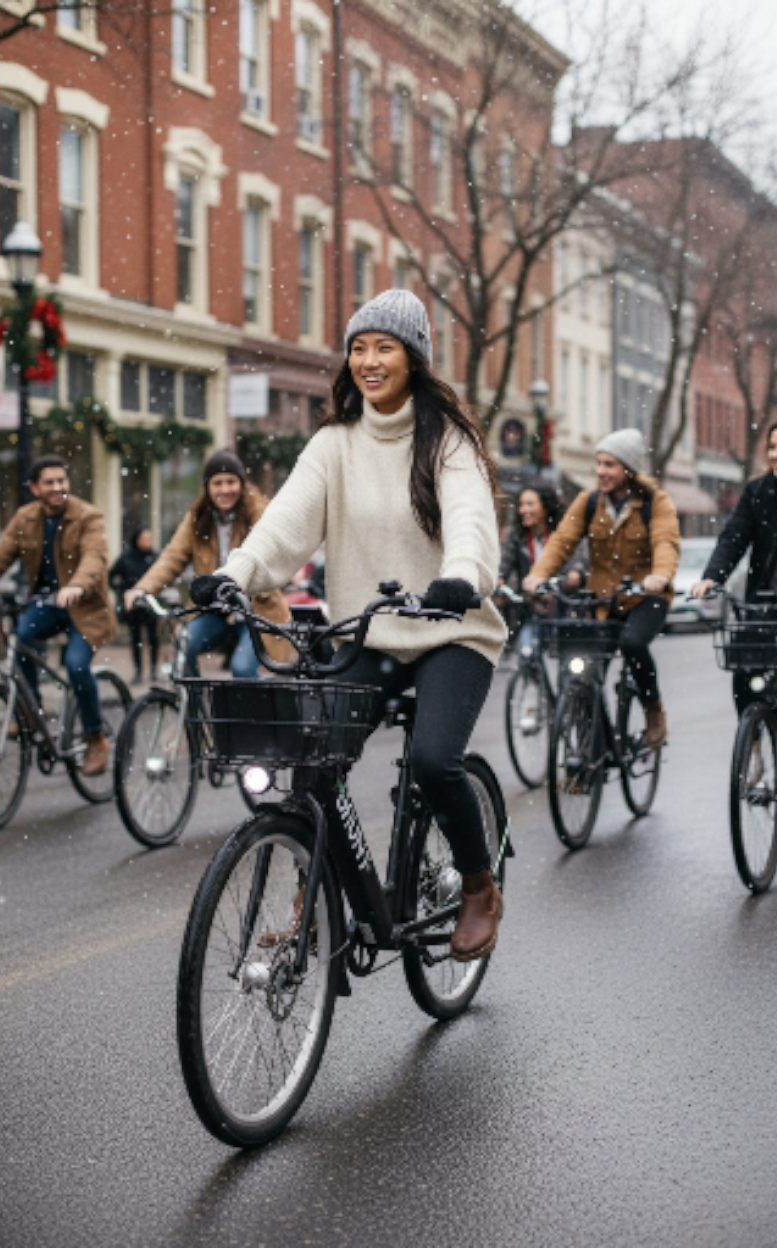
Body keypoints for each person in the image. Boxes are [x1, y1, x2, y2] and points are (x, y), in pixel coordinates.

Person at [191, 289, 507, 962]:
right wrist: (235, 574)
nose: (368, 360)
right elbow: (283, 525)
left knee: (431, 760)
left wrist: (463, 577)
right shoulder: (334, 443)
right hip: (371, 634)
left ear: (413, 357)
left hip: (451, 630)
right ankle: (317, 892)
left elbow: (471, 518)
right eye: (359, 347)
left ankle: (479, 886)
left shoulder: (448, 441)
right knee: (313, 756)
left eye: (383, 347)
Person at [524, 428, 681, 748]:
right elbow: (563, 542)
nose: (601, 472)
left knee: (634, 643)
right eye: (599, 464)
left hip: (645, 597)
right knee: (585, 674)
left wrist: (660, 575)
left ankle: (653, 709)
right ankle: (592, 754)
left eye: (610, 465)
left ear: (629, 468)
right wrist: (537, 574)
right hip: (603, 601)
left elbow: (665, 541)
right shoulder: (589, 500)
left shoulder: (655, 501)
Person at [0, 454, 118, 776]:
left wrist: (78, 586)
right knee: (22, 638)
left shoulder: (88, 516)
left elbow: (95, 558)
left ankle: (95, 736)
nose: (58, 488)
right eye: (49, 483)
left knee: (76, 665)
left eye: (61, 481)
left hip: (84, 608)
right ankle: (30, 711)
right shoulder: (25, 518)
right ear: (35, 488)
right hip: (46, 604)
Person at [125, 449, 292, 672]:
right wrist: (143, 589)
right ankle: (194, 704)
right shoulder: (197, 518)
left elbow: (273, 551)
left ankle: (249, 707)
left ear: (242, 484)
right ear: (207, 487)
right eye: (218, 483)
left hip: (256, 611)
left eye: (231, 482)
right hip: (215, 611)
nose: (225, 489)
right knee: (184, 645)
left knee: (242, 669)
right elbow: (172, 557)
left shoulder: (259, 513)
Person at [691, 415, 777, 718]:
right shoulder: (759, 492)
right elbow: (734, 538)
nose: (775, 455)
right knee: (745, 666)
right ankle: (755, 732)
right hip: (771, 600)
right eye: (771, 447)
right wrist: (711, 578)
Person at [498, 482, 585, 657]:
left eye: (530, 504)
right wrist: (498, 580)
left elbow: (575, 560)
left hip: (563, 606)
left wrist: (571, 577)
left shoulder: (563, 533)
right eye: (521, 504)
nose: (523, 510)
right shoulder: (517, 535)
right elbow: (505, 562)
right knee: (526, 652)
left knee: (569, 656)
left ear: (546, 507)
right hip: (532, 607)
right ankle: (534, 677)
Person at [109, 527, 160, 685]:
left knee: (153, 638)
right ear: (137, 540)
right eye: (144, 539)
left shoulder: (155, 557)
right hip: (132, 606)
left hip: (150, 603)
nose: (147, 542)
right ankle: (138, 670)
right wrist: (122, 591)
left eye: (149, 539)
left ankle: (153, 670)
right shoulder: (126, 557)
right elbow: (111, 575)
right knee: (136, 638)